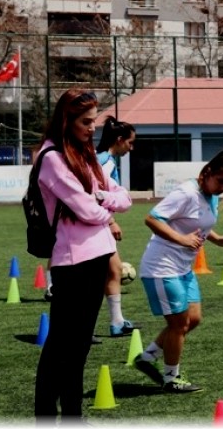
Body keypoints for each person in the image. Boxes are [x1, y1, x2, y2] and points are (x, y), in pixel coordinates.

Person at [34, 89, 133, 420]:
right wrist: (104, 205)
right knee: (59, 348)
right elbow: (88, 210)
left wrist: (101, 198)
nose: (92, 128)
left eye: (94, 121)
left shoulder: (86, 153)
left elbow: (123, 197)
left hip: (98, 255)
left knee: (78, 349)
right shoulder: (52, 158)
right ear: (67, 120)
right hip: (71, 261)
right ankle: (47, 415)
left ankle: (73, 416)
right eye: (85, 122)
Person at [133, 148, 223, 394]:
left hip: (183, 268)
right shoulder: (186, 192)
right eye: (221, 181)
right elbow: (152, 219)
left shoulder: (210, 193)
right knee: (179, 324)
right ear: (206, 172)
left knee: (193, 319)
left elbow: (199, 224)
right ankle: (171, 377)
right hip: (162, 267)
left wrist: (218, 239)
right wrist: (181, 240)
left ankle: (147, 356)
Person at [96, 116, 137, 337]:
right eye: (130, 143)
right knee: (99, 275)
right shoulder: (105, 161)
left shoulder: (103, 158)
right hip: (96, 225)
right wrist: (111, 221)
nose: (131, 148)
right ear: (119, 140)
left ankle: (117, 322)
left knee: (114, 270)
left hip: (99, 223)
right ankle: (82, 328)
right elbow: (95, 194)